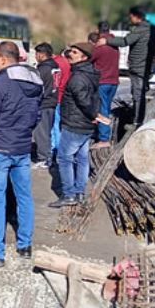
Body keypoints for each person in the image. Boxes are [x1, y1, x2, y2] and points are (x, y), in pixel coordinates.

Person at [0, 41, 42, 266]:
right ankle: (25, 245)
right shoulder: (35, 81)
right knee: (24, 197)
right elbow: (37, 116)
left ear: (3, 58)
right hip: (22, 147)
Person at [50, 42, 100, 208]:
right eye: (70, 51)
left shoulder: (78, 77)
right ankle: (79, 192)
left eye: (74, 52)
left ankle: (69, 194)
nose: (70, 54)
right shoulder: (88, 72)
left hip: (75, 124)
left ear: (84, 57)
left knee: (64, 159)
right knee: (82, 159)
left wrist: (93, 115)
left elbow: (85, 101)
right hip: (84, 123)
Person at [100, 6, 151, 128]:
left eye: (131, 16)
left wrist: (107, 41)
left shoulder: (140, 30)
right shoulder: (150, 29)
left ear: (137, 16)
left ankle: (137, 121)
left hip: (138, 68)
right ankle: (138, 119)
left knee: (137, 95)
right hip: (144, 67)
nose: (130, 18)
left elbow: (125, 41)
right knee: (139, 94)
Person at [89, 30, 119, 149]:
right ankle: (104, 134)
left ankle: (103, 138)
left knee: (102, 110)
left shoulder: (100, 48)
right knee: (106, 108)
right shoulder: (115, 47)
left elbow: (89, 59)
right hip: (114, 81)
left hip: (102, 81)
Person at [32, 43, 58, 168]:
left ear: (42, 54)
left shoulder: (43, 69)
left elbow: (38, 87)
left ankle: (44, 158)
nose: (35, 56)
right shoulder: (55, 66)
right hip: (53, 100)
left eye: (37, 53)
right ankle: (47, 156)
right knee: (47, 131)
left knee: (41, 132)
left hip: (44, 103)